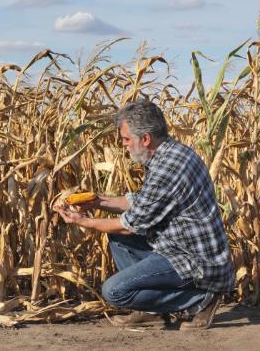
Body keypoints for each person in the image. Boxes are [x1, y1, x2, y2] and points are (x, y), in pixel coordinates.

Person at [53, 100, 234, 330]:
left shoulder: (168, 168)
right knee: (118, 239)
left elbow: (128, 225)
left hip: (195, 261)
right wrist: (97, 201)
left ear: (146, 139)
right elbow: (140, 203)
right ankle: (151, 311)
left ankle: (201, 298)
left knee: (114, 291)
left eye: (126, 139)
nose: (123, 145)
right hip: (176, 245)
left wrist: (83, 221)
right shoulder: (169, 154)